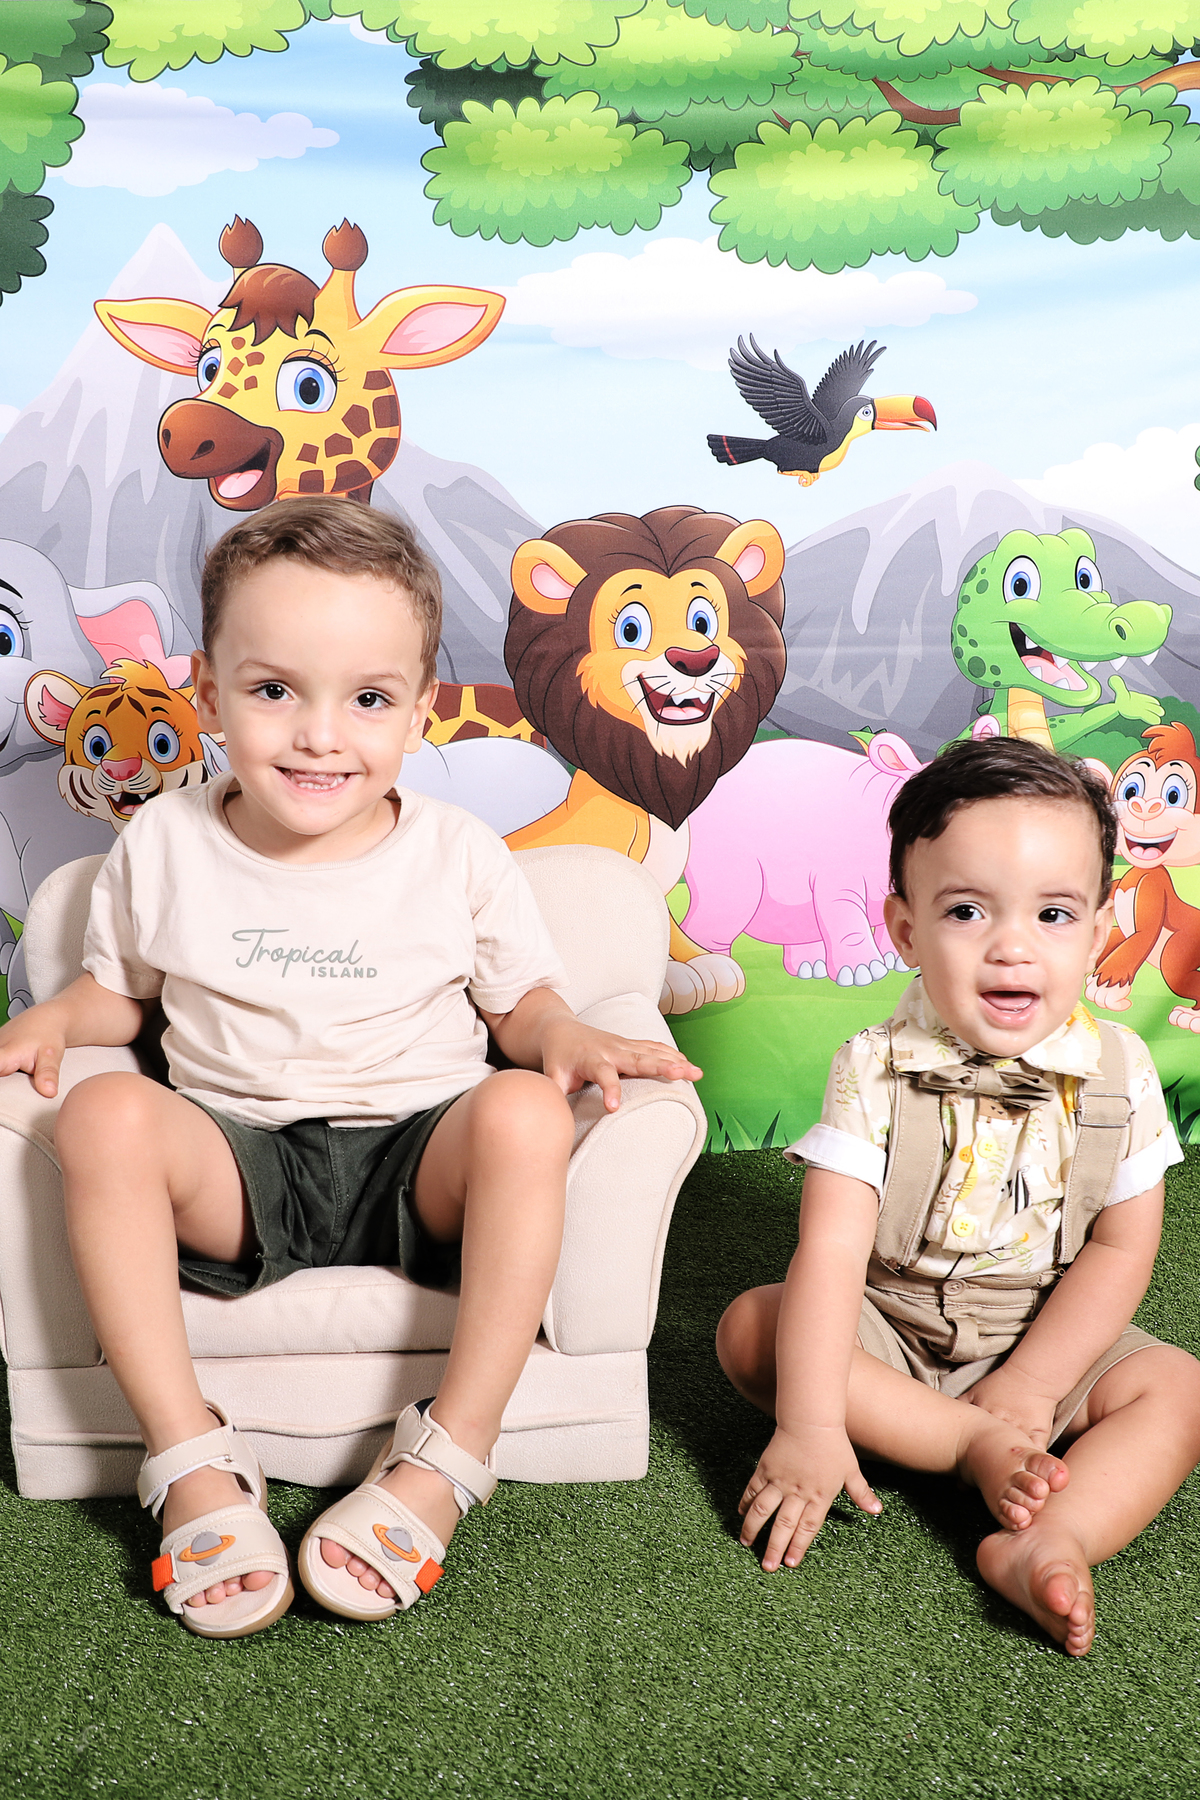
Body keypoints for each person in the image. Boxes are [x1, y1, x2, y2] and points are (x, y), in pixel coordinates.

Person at [0, 497, 700, 1638]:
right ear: (209, 693)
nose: (320, 736)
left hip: (420, 1159)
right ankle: (190, 1461)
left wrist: (565, 1036)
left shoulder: (456, 853)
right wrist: (49, 1023)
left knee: (524, 1113)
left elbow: (519, 1006)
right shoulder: (164, 841)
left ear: (419, 714)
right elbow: (118, 994)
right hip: (237, 1167)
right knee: (104, 1116)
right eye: (275, 690)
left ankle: (448, 1457)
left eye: (367, 699)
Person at [717, 736, 1200, 1656]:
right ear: (905, 931)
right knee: (752, 1330)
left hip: (1042, 1328)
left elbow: (1121, 1247)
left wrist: (1034, 1383)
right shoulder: (872, 1066)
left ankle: (1052, 1537)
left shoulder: (1121, 1069)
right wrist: (810, 1424)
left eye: (1053, 914)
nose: (1012, 947)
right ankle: (967, 1447)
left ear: (1101, 930)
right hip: (891, 1329)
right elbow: (831, 1252)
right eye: (968, 911)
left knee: (1179, 1389)